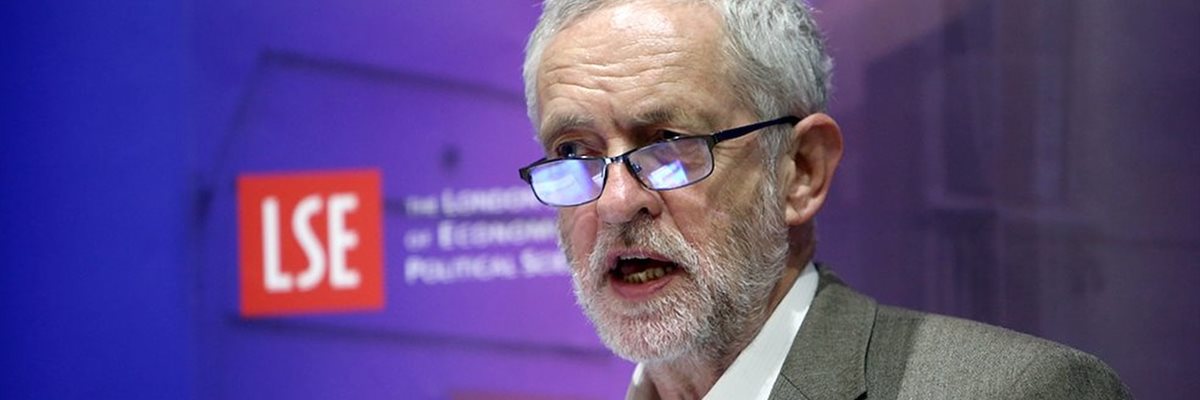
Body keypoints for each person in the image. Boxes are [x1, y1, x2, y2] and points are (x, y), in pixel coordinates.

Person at [516, 0, 1131, 398]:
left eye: (670, 144)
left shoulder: (1020, 391)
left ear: (801, 170)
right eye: (574, 154)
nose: (618, 201)